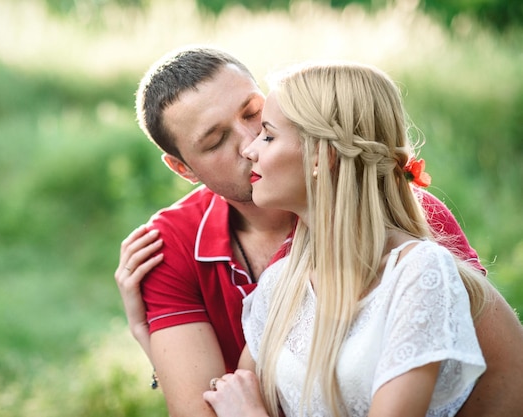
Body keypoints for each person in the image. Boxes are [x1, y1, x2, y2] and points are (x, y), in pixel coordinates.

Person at [114, 45, 523, 417]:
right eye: (216, 140)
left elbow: (493, 363)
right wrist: (148, 338)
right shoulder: (264, 279)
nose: (249, 142)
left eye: (255, 115)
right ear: (183, 169)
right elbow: (212, 406)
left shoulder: (405, 227)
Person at [202, 61, 488, 416]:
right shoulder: (280, 287)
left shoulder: (418, 271)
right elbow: (228, 397)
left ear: (323, 155)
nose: (250, 150)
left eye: (268, 135)